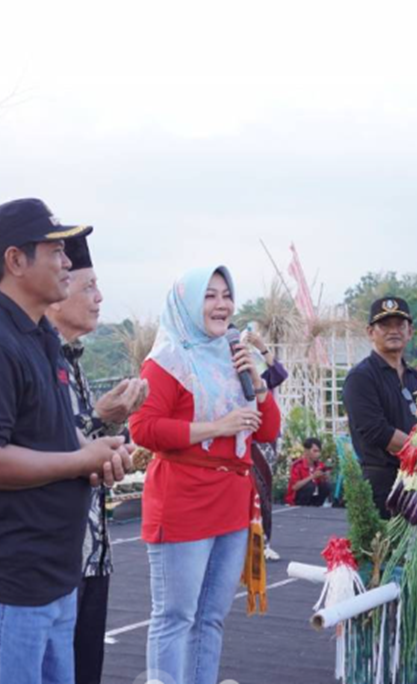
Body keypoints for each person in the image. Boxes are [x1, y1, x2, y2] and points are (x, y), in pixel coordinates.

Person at [0, 198, 133, 684]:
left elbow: (54, 441)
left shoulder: (40, 337)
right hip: (6, 580)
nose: (67, 262)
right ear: (16, 261)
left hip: (50, 576)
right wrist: (76, 460)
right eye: (55, 251)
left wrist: (97, 454)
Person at [130, 266, 281, 684]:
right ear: (188, 304)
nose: (222, 305)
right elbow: (143, 429)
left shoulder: (233, 356)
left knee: (212, 617)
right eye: (210, 296)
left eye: (227, 295)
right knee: (176, 616)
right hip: (183, 500)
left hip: (231, 500)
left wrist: (260, 384)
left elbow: (266, 431)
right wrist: (217, 428)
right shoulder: (167, 360)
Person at [45, 233, 148, 684]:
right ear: (56, 292)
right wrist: (99, 419)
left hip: (93, 552)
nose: (99, 297)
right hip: (52, 556)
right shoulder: (32, 357)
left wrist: (111, 431)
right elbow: (46, 450)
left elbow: (81, 443)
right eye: (88, 286)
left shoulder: (73, 358)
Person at [343, 297, 417, 518]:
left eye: (400, 325)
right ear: (370, 332)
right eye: (384, 325)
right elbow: (375, 429)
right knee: (384, 549)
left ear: (410, 332)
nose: (393, 331)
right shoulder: (361, 377)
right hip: (381, 484)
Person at [240, 326, 287, 561]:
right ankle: (244, 541)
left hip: (264, 438)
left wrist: (260, 346)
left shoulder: (261, 371)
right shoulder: (232, 373)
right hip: (241, 436)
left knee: (263, 489)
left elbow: (280, 374)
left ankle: (264, 540)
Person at [285, 437, 332, 506]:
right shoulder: (297, 465)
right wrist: (312, 476)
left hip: (313, 497)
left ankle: (316, 506)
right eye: (315, 451)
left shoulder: (319, 465)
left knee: (327, 485)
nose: (318, 454)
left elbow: (323, 484)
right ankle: (301, 507)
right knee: (309, 486)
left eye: (319, 451)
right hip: (298, 499)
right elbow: (294, 487)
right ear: (306, 451)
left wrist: (325, 476)